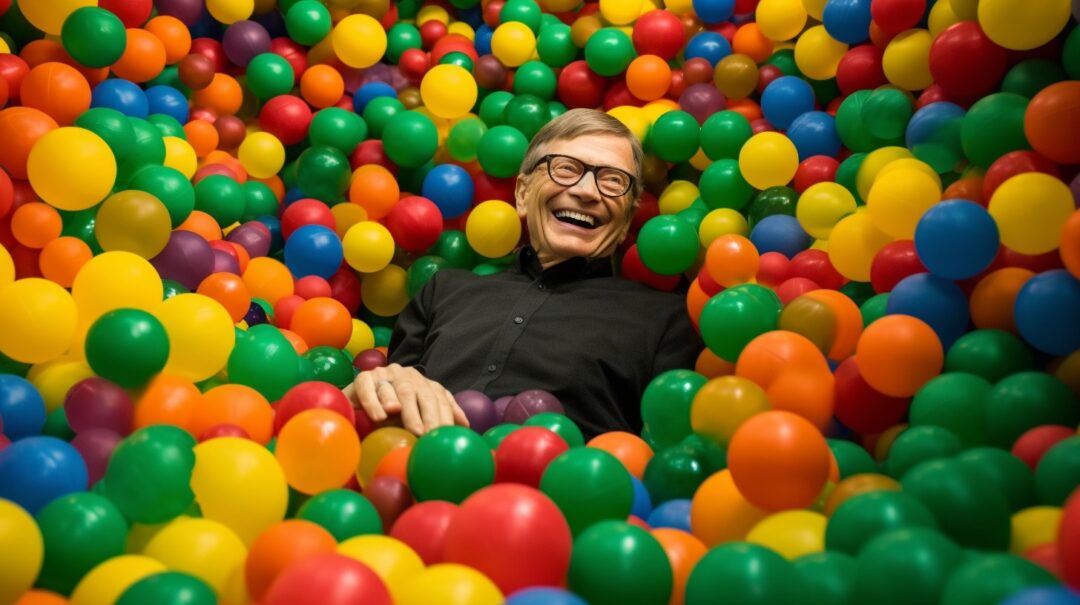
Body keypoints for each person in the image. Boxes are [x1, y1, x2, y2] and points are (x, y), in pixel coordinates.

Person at [346, 108, 701, 438]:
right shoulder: (445, 290)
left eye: (612, 181)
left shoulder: (667, 319)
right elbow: (386, 407)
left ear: (625, 221)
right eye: (565, 168)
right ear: (522, 193)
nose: (586, 191)